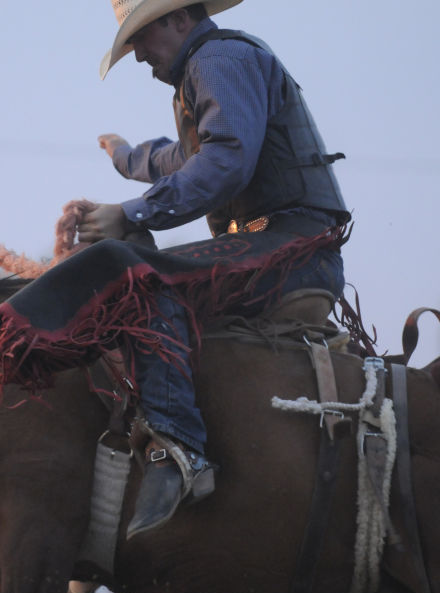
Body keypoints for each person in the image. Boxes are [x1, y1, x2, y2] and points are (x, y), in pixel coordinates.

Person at [74, 0, 351, 538]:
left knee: (144, 281)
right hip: (285, 248)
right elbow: (185, 158)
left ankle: (178, 450)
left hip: (287, 250)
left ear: (179, 18)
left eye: (141, 38)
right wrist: (126, 157)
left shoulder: (217, 60)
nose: (137, 58)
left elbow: (223, 162)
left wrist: (129, 214)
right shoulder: (213, 66)